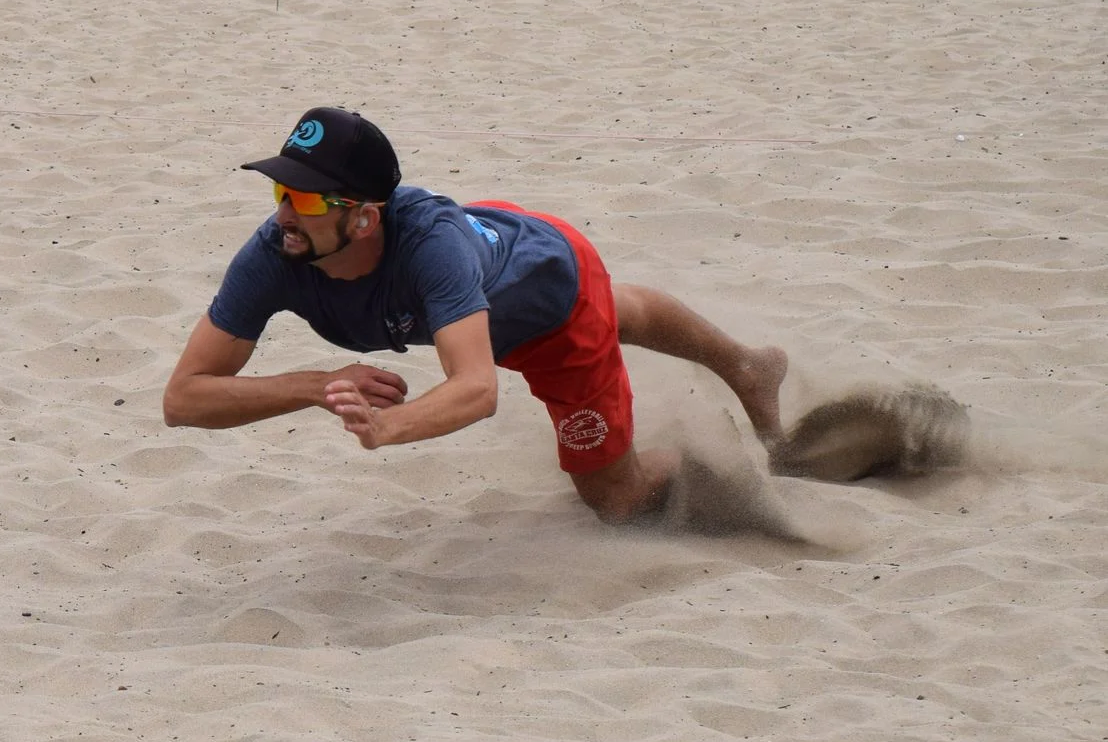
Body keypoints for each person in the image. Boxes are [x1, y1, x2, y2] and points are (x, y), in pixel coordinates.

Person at [161, 106, 788, 524]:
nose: (282, 215)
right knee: (612, 307)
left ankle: (711, 453)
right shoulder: (277, 251)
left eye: (301, 198)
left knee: (615, 499)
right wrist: (314, 387)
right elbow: (182, 400)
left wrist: (392, 427)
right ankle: (748, 365)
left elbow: (477, 388)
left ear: (362, 217)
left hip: (547, 302)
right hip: (491, 250)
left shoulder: (432, 248)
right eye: (278, 191)